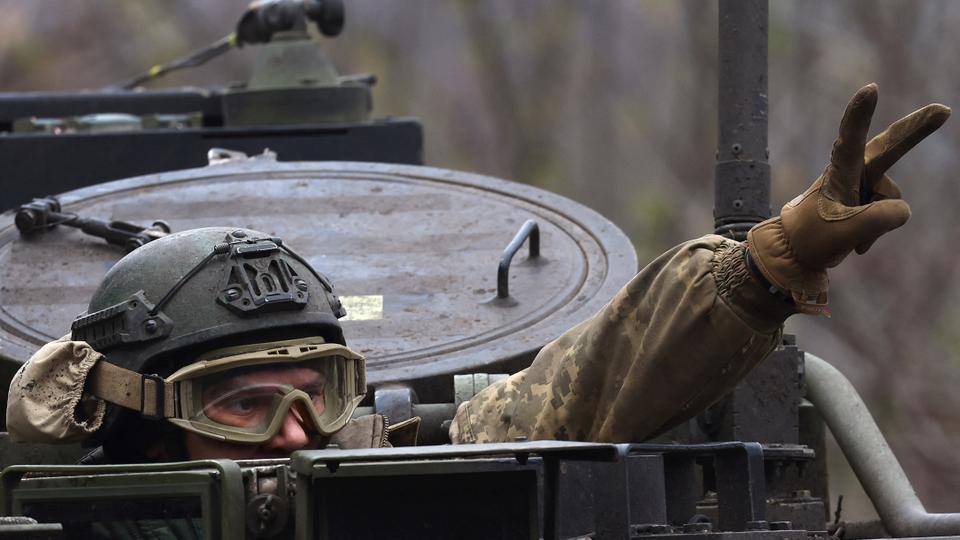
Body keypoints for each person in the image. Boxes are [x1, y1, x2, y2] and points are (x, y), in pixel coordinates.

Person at [5, 84, 951, 462]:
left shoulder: (377, 475)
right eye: (241, 407)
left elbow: (581, 390)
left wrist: (766, 263)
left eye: (320, 395)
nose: (299, 439)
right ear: (138, 425)